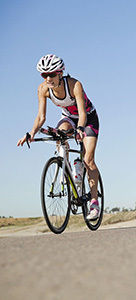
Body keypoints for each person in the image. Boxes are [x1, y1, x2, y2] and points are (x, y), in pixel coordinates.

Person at [17, 54, 101, 220]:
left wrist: (80, 129)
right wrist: (32, 132)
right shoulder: (43, 89)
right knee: (59, 134)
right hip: (68, 117)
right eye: (44, 75)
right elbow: (41, 117)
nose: (48, 78)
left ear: (60, 73)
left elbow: (82, 114)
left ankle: (94, 202)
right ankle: (68, 168)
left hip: (88, 119)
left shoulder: (74, 85)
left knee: (88, 159)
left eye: (52, 74)